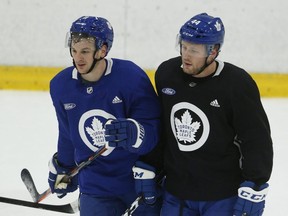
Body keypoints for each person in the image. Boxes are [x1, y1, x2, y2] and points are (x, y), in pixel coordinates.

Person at [135, 13, 273, 216]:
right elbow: (163, 127)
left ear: (213, 51)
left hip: (222, 197)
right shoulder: (167, 74)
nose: (186, 55)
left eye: (194, 50)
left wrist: (255, 183)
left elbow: (255, 139)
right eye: (183, 46)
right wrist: (150, 165)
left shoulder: (236, 84)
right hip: (177, 192)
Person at [47, 16, 161, 216]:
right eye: (74, 51)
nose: (77, 59)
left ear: (103, 50)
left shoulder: (131, 78)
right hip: (95, 185)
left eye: (84, 51)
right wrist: (64, 167)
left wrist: (137, 133)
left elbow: (155, 131)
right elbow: (67, 133)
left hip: (136, 183)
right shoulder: (61, 85)